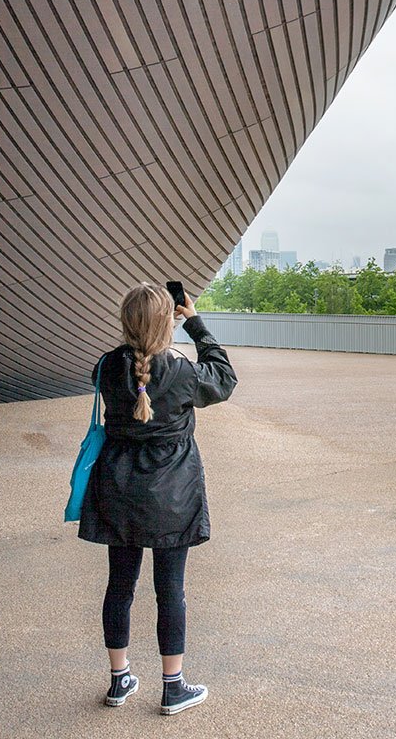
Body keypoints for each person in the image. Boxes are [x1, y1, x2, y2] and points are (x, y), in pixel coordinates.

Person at [79, 283, 237, 714]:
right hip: (173, 494)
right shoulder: (182, 372)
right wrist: (196, 322)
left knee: (120, 586)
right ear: (168, 321)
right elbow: (224, 380)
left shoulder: (106, 368)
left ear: (125, 321)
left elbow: (124, 377)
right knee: (170, 591)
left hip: (118, 490)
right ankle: (173, 687)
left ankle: (119, 681)